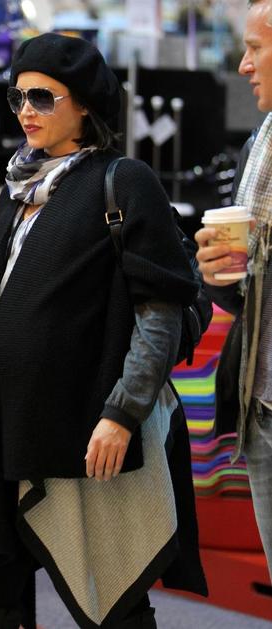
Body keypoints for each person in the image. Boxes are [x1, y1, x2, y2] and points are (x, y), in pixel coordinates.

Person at [0, 33, 207, 629]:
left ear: (83, 104)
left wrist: (123, 413)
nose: (25, 110)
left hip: (79, 432)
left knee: (111, 600)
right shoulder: (18, 189)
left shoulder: (122, 180)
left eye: (42, 97)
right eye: (17, 97)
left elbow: (160, 310)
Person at [195, 0, 272, 581]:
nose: (244, 65)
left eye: (255, 48)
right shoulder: (260, 145)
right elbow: (242, 299)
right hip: (261, 404)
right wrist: (218, 272)